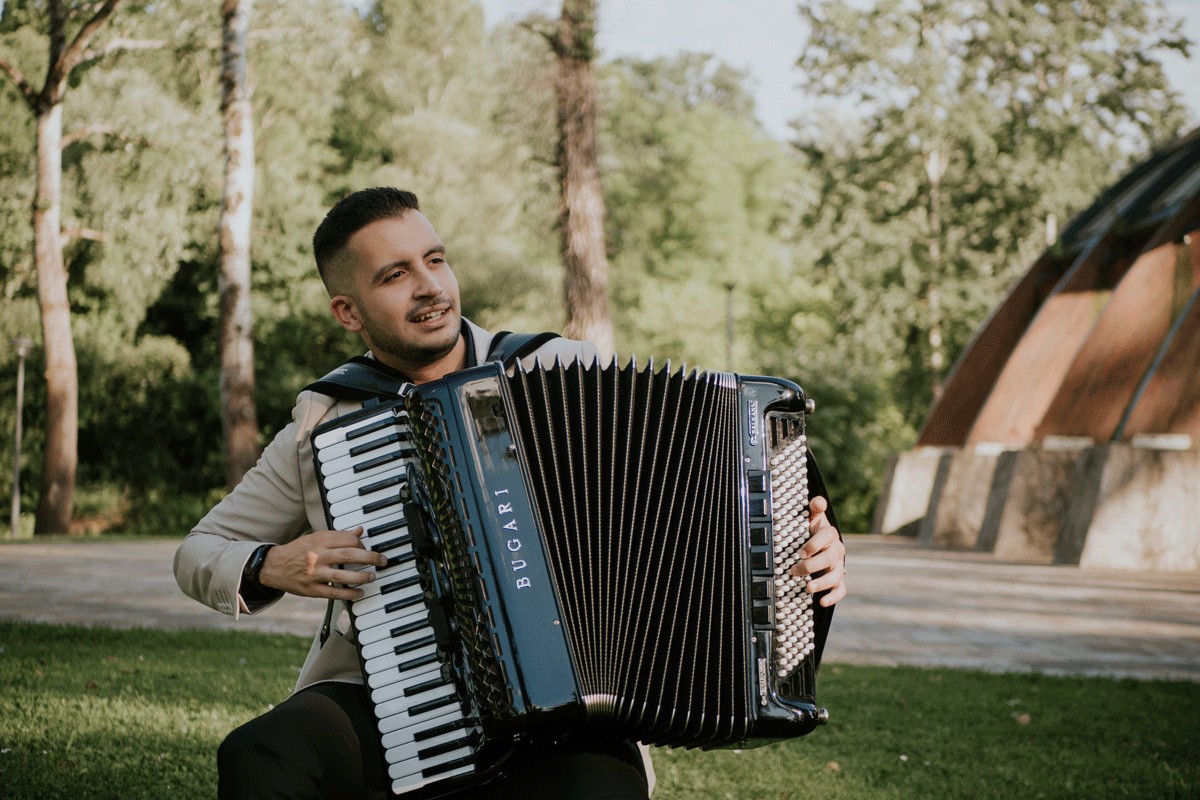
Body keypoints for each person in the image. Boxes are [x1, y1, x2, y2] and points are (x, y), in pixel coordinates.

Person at [174, 187, 848, 800]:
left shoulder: (564, 370)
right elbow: (200, 550)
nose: (429, 287)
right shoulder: (326, 419)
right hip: (393, 697)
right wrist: (273, 564)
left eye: (434, 260)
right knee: (261, 753)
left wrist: (806, 548)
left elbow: (710, 493)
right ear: (347, 311)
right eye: (395, 275)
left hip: (572, 718)